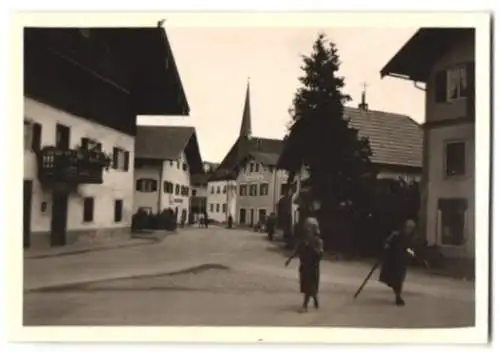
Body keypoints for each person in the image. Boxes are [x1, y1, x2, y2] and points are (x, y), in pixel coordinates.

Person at [285, 217, 324, 312]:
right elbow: (297, 250)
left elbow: (319, 253)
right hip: (304, 265)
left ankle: (305, 306)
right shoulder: (303, 239)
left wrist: (310, 247)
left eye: (309, 227)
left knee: (310, 285)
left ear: (314, 228)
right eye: (307, 226)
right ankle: (315, 298)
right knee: (306, 285)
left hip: (313, 266)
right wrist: (289, 259)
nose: (307, 229)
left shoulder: (318, 240)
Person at [378, 219, 417, 306]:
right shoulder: (396, 235)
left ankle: (398, 296)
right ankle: (397, 293)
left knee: (399, 279)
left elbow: (410, 249)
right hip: (392, 260)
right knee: (392, 278)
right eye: (407, 227)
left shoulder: (410, 238)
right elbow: (387, 243)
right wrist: (386, 247)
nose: (409, 230)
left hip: (401, 262)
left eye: (411, 228)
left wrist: (411, 254)